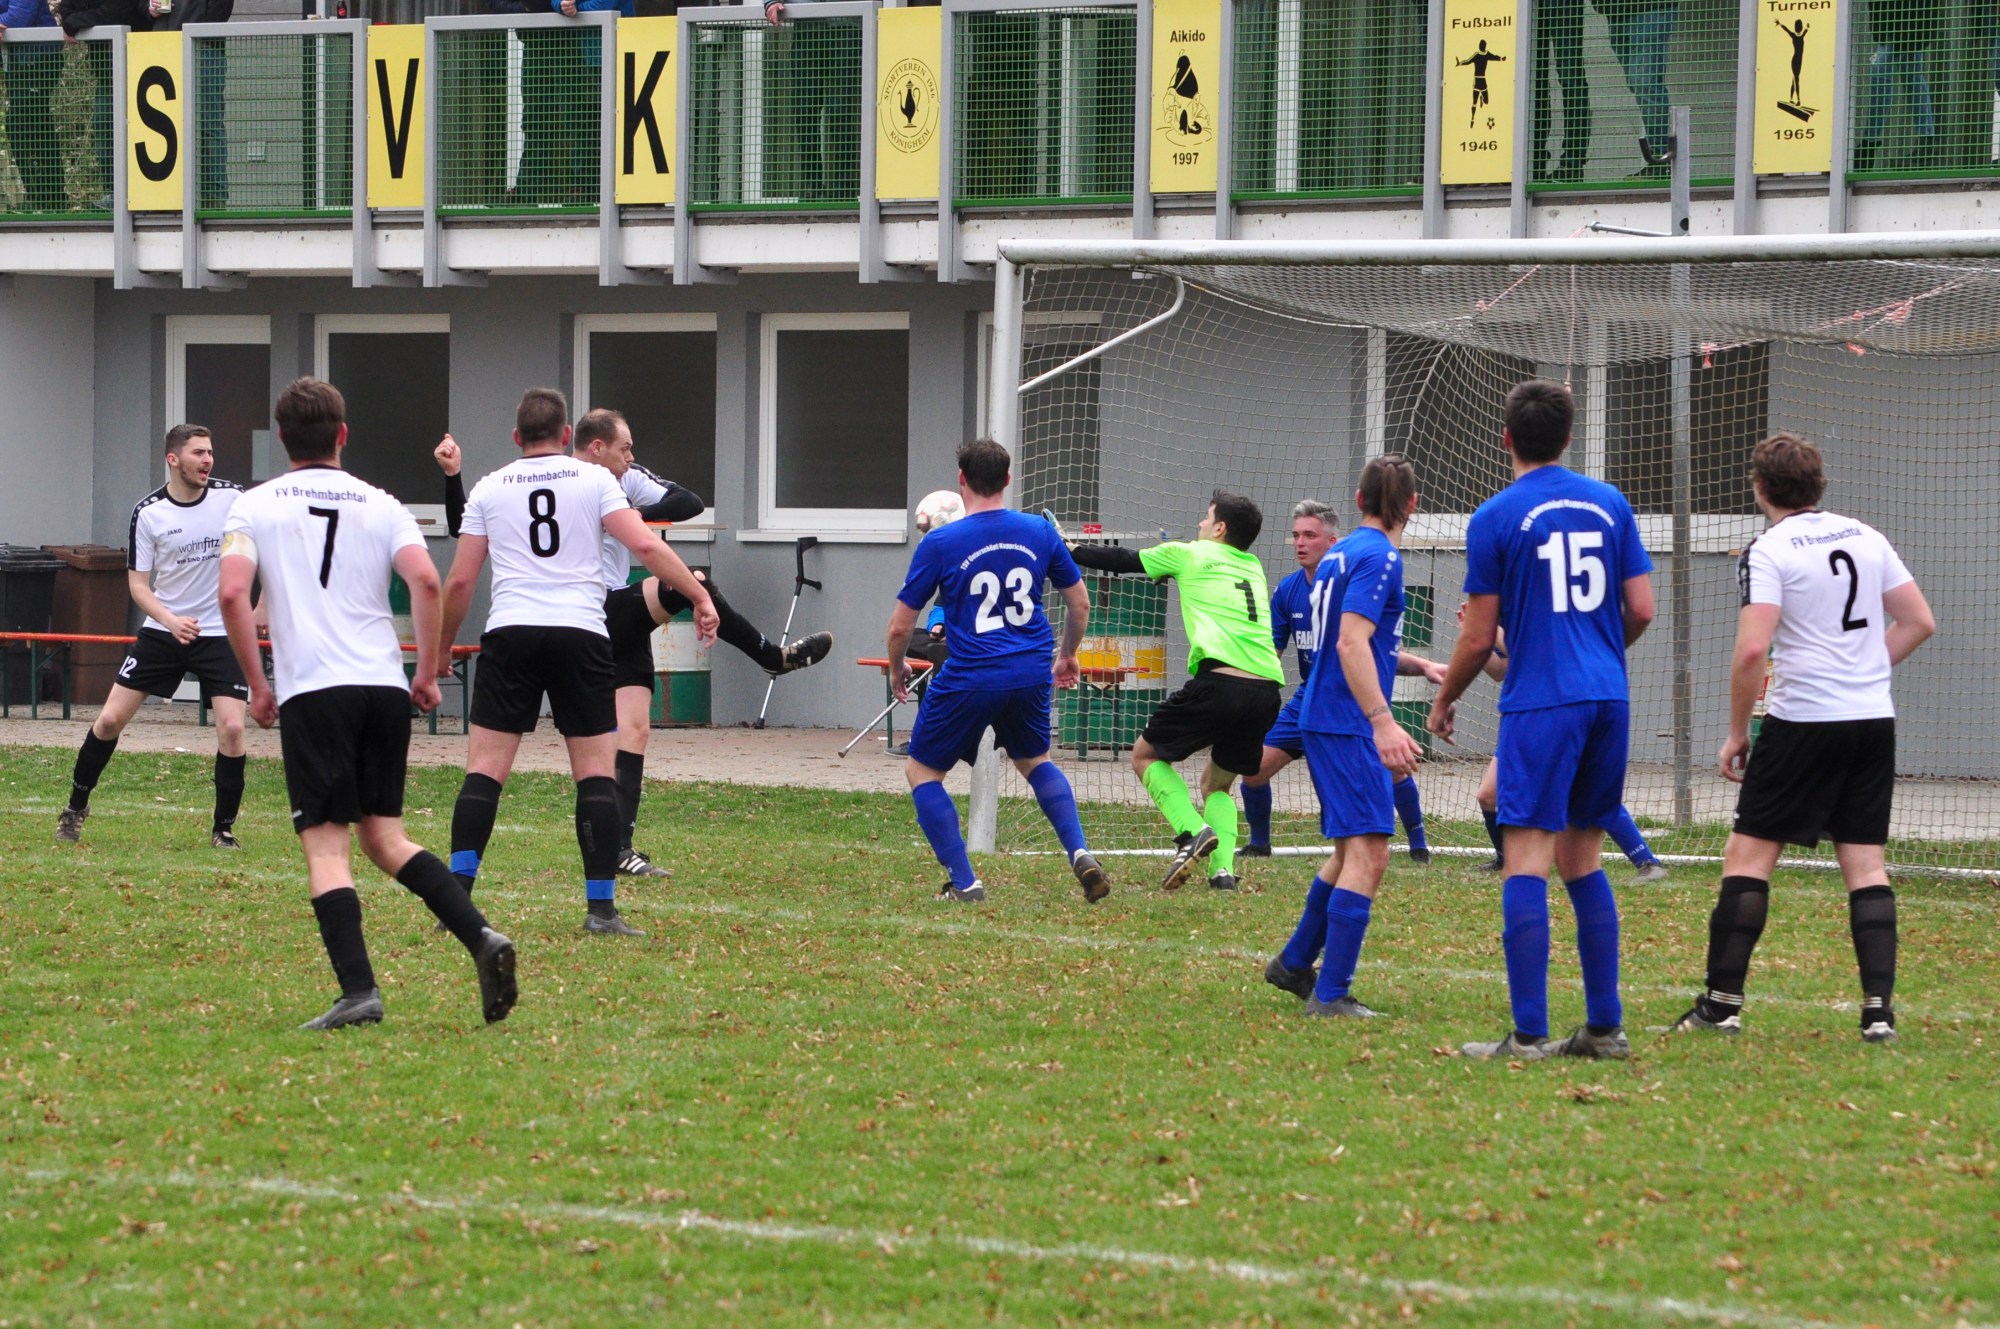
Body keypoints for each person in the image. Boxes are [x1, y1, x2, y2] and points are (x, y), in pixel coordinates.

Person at [216, 378, 516, 1031]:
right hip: (381, 685)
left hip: (315, 690)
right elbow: (428, 579)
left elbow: (233, 595)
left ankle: (359, 991)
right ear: (342, 436)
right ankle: (481, 936)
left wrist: (256, 683)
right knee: (386, 837)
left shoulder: (253, 505)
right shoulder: (382, 503)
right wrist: (429, 668)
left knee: (328, 850)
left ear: (283, 439)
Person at [435, 412, 830, 878]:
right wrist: (452, 476)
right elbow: (467, 532)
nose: (631, 458)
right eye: (625, 448)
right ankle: (770, 656)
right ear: (591, 444)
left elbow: (688, 502)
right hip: (586, 614)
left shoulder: (621, 481)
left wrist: (624, 516)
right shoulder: (565, 481)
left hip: (613, 610)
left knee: (635, 731)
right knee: (688, 584)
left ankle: (620, 849)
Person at [1670, 433, 1934, 1044]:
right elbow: (1920, 620)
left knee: (1749, 858)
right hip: (1871, 719)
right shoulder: (1867, 537)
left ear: (1760, 487)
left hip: (1802, 721)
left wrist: (1738, 731)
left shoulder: (1769, 549)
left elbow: (1753, 649)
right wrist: (1863, 671)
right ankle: (1878, 1015)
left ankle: (1720, 1006)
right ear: (1819, 484)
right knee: (1865, 862)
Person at [1426, 379, 1655, 1063]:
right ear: (1568, 437)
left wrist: (1444, 699)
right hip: (1608, 698)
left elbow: (1477, 635)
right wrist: (1601, 652)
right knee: (1583, 857)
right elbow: (1641, 608)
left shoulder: (1495, 515)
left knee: (1525, 857)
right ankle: (1604, 1027)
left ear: (1506, 439)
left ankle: (1528, 1034)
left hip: (1541, 701)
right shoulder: (1610, 502)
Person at [438, 388, 718, 937]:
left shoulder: (490, 487)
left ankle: (457, 907)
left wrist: (444, 647)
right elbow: (648, 549)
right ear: (567, 437)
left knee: (484, 774)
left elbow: (462, 579)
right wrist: (700, 596)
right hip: (580, 634)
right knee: (593, 774)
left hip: (511, 632)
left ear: (517, 438)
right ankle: (601, 911)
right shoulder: (595, 481)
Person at [887, 439, 1105, 905]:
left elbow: (901, 625)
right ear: (1008, 479)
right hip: (1029, 672)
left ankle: (965, 883)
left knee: (922, 771)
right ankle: (1080, 851)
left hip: (971, 674)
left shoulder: (941, 542)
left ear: (961, 481)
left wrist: (896, 667)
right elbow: (1080, 602)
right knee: (1035, 762)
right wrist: (1066, 653)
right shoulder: (1040, 532)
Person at [1263, 456, 1424, 1019]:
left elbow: (1357, 642)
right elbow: (1351, 645)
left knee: (1348, 851)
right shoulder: (1381, 556)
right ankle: (1331, 996)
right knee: (1372, 855)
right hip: (1347, 721)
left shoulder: (1341, 555)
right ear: (1412, 504)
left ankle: (1294, 961)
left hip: (1326, 714)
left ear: (1357, 503)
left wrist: (1419, 668)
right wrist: (1383, 722)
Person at [1069, 491, 1285, 893]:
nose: (1200, 525)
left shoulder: (1190, 553)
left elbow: (1123, 561)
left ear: (1220, 528)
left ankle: (1191, 832)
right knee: (1217, 784)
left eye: (1206, 519)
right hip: (1266, 691)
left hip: (1220, 682)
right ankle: (1222, 874)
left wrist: (1070, 547)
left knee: (1145, 755)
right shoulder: (1253, 566)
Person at [56, 425, 251, 849]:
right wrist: (170, 618)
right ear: (173, 459)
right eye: (198, 453)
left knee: (233, 729)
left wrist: (265, 605)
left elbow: (271, 547)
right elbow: (139, 586)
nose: (207, 460)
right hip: (164, 632)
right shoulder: (148, 512)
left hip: (220, 634)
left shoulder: (232, 498)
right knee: (109, 720)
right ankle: (75, 808)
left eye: (211, 452)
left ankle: (223, 829)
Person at [1241, 500, 1443, 863]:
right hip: (1310, 698)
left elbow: (1365, 650)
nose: (1300, 543)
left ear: (1333, 542)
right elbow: (1270, 652)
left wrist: (1424, 665)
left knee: (1393, 767)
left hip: (1352, 700)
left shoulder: (1357, 579)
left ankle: (1418, 845)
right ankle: (1259, 844)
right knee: (1253, 769)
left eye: (1310, 535)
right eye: (1296, 535)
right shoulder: (1288, 591)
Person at [1467, 620, 1669, 883]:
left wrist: (1488, 632)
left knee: (1588, 791)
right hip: (1526, 713)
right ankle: (1506, 859)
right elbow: (1500, 670)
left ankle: (1647, 862)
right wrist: (1476, 636)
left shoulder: (1546, 603)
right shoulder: (1508, 607)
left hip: (1563, 706)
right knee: (1489, 795)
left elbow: (1534, 650)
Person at [1, 0, 63, 215]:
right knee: (25, 124)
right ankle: (42, 198)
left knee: (28, 122)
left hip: (37, 58)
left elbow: (19, 17)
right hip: (17, 62)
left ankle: (50, 199)